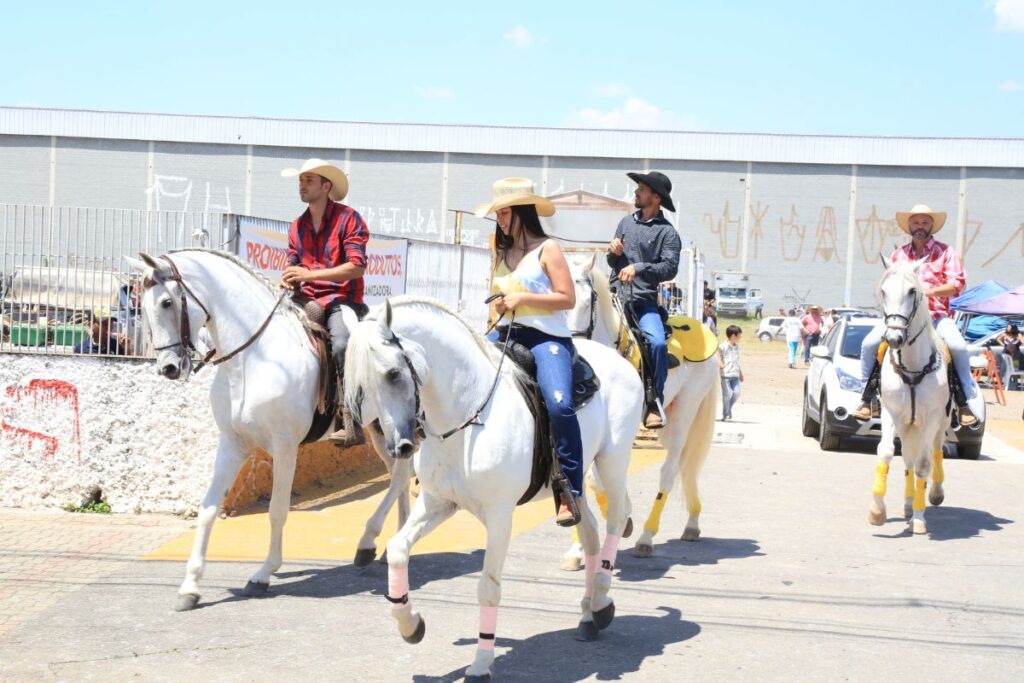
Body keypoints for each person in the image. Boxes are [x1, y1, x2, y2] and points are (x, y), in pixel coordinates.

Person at [477, 177, 584, 527]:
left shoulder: (547, 249)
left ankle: (569, 488)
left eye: (505, 212)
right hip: (507, 335)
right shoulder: (499, 248)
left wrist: (523, 299)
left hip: (546, 339)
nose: (501, 219)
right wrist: (496, 315)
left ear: (522, 211)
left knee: (559, 404)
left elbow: (567, 298)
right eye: (498, 213)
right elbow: (495, 296)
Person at [852, 204, 979, 425]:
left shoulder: (946, 252)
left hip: (936, 315)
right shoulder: (898, 254)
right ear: (909, 226)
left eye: (925, 222)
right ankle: (867, 398)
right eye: (916, 223)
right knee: (869, 344)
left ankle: (964, 401)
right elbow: (889, 283)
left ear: (932, 226)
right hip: (900, 316)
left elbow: (956, 284)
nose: (920, 227)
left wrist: (927, 291)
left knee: (957, 347)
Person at [279, 158, 369, 445]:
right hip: (306, 298)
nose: (302, 186)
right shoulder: (296, 226)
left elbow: (356, 266)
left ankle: (350, 418)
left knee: (342, 343)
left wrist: (311, 273)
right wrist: (289, 277)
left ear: (326, 186)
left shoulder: (349, 219)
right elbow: (293, 264)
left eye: (308, 180)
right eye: (300, 181)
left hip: (342, 299)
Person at [607, 171, 683, 429]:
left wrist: (638, 268)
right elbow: (612, 262)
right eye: (637, 188)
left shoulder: (668, 233)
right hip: (614, 298)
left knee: (657, 344)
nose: (635, 193)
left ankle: (654, 402)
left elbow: (670, 268)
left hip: (643, 302)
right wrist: (613, 252)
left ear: (655, 197)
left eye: (641, 189)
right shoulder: (625, 223)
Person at [718, 324, 744, 421]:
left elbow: (736, 361)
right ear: (733, 336)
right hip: (726, 375)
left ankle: (728, 409)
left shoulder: (736, 347)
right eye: (739, 336)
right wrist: (720, 363)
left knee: (737, 393)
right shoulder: (723, 347)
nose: (739, 339)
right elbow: (717, 356)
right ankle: (726, 414)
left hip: (735, 375)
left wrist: (741, 374)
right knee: (727, 394)